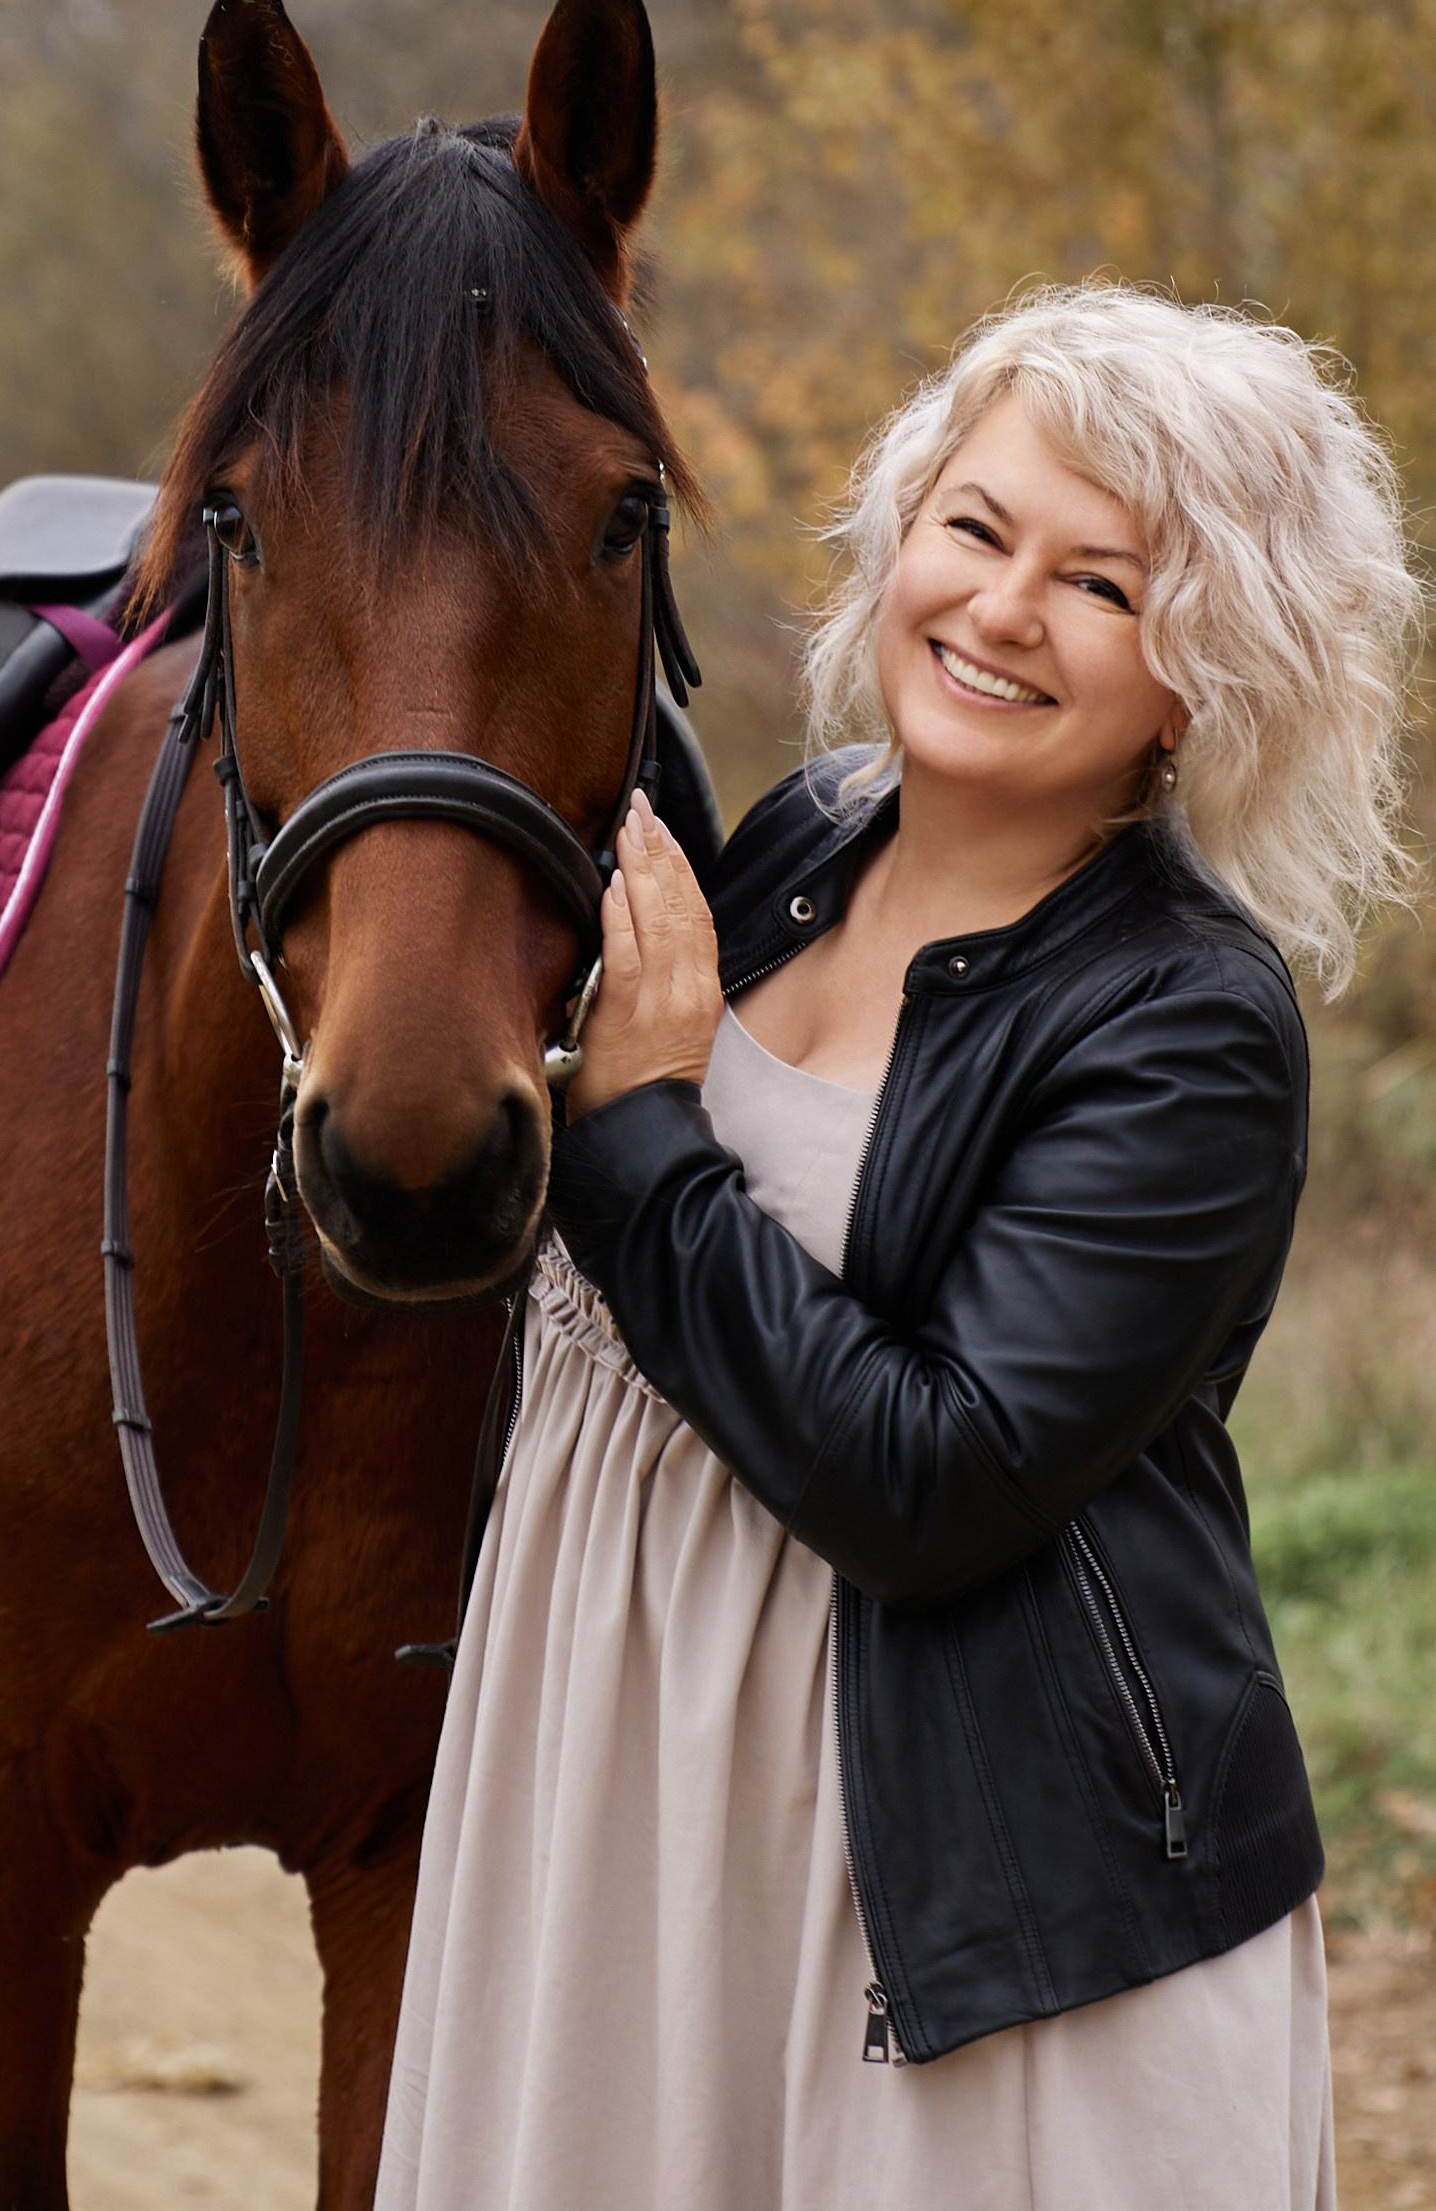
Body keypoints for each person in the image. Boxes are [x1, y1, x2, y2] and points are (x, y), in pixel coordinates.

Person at [376, 285, 1420, 2211]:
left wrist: (636, 1141)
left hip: (956, 1876)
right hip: (627, 1776)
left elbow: (929, 1478)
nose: (1005, 610)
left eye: (1105, 584)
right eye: (977, 526)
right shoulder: (799, 843)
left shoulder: (1182, 1022)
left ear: (1217, 665)